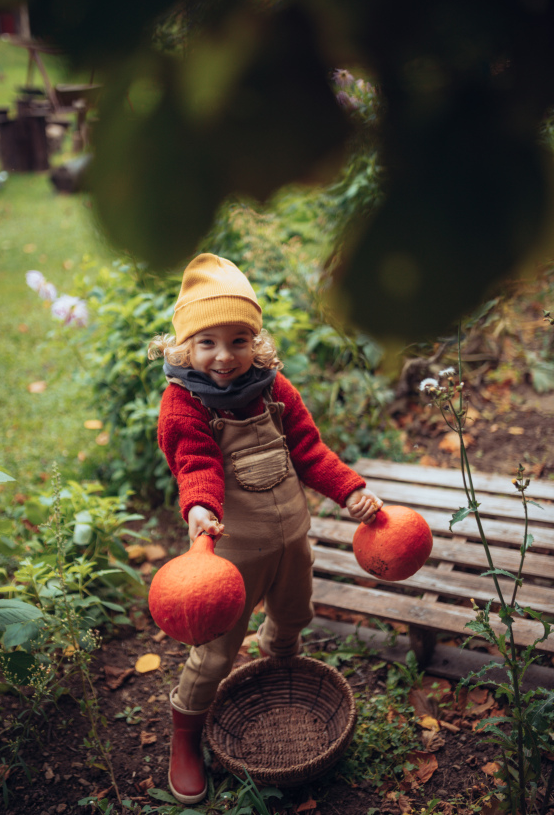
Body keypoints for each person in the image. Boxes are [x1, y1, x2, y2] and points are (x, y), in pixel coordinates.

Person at [149, 253, 383, 804]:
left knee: (293, 615)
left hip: (291, 541)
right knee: (215, 650)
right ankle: (185, 736)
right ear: (184, 346)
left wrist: (350, 489)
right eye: (207, 342)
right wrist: (200, 511)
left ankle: (281, 678)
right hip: (229, 557)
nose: (225, 356)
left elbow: (309, 450)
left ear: (257, 341)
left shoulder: (275, 389)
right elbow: (197, 466)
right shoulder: (184, 406)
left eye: (239, 339)